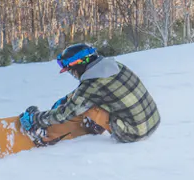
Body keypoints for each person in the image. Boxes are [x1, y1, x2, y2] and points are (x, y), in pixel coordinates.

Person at [18, 43, 160, 146]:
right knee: (89, 101)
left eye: (70, 70)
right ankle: (94, 124)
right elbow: (89, 92)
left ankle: (46, 136)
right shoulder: (114, 67)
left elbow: (65, 113)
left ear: (78, 66)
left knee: (87, 107)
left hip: (133, 133)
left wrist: (36, 119)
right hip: (151, 122)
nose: (72, 74)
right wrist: (68, 98)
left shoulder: (92, 84)